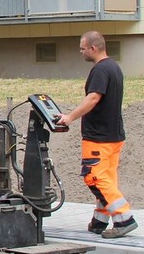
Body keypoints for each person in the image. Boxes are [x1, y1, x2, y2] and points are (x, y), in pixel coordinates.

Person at [56, 31, 136, 239]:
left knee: (95, 177)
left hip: (99, 137)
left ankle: (124, 218)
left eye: (82, 48)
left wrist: (70, 117)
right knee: (107, 179)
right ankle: (100, 220)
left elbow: (93, 98)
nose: (81, 52)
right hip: (113, 135)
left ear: (93, 48)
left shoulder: (100, 70)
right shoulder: (114, 67)